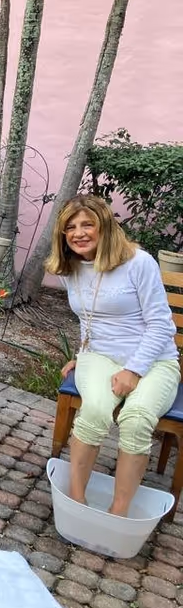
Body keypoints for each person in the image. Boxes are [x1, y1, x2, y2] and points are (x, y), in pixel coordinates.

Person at [46, 195, 180, 516]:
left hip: (155, 362)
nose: (78, 233)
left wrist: (134, 370)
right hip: (98, 356)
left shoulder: (139, 262)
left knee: (136, 421)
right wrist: (83, 354)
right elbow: (87, 317)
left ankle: (119, 514)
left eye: (87, 224)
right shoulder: (71, 267)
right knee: (93, 412)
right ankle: (76, 503)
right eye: (70, 227)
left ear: (104, 225)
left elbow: (162, 326)